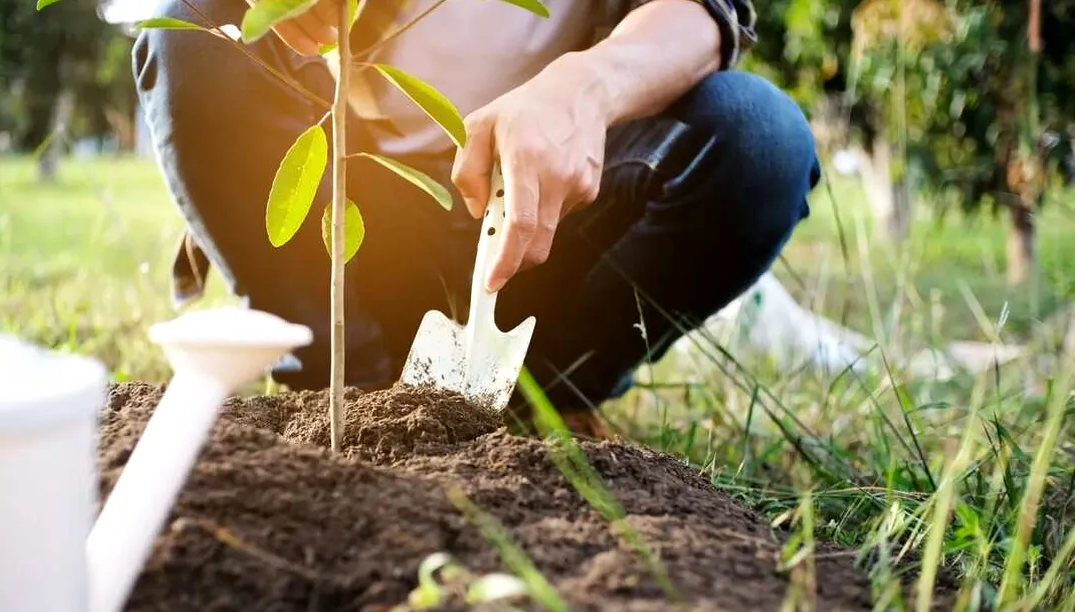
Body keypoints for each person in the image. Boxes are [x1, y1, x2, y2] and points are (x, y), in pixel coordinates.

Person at [132, 0, 821, 436]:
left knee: (760, 138)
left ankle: (542, 401)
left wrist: (585, 85)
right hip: (359, 228)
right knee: (185, 29)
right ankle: (340, 393)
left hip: (547, 219)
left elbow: (705, 12)